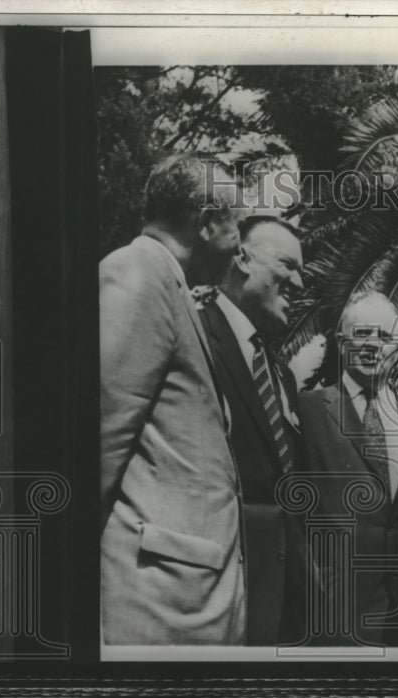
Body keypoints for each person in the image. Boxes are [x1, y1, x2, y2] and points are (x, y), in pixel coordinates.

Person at [100, 152, 245, 645]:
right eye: (236, 225)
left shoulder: (167, 281)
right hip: (155, 605)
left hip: (183, 600)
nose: (239, 244)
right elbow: (99, 438)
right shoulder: (137, 272)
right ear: (205, 224)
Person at [297, 292, 398, 647]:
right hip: (337, 612)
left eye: (385, 337)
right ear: (342, 342)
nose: (373, 345)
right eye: (362, 334)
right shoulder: (307, 411)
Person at [195, 215, 308, 645]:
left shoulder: (281, 375)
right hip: (223, 597)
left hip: (284, 605)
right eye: (288, 265)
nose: (299, 284)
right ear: (241, 258)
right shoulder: (197, 337)